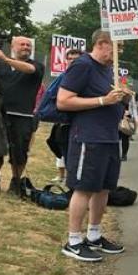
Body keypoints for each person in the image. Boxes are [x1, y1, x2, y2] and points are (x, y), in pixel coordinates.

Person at [56, 30, 131, 262]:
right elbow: (63, 101)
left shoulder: (109, 70)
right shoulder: (82, 65)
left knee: (104, 188)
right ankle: (74, 240)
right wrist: (102, 101)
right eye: (117, 47)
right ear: (102, 44)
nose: (119, 53)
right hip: (88, 137)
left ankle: (94, 234)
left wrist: (124, 97)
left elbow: (112, 97)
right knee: (84, 187)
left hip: (110, 137)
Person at [0, 36, 45, 194]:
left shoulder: (37, 66)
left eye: (28, 45)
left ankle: (16, 182)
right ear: (13, 46)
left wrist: (4, 58)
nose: (26, 47)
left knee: (19, 151)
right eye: (22, 44)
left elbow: (29, 70)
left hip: (23, 115)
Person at [46, 48, 83, 183]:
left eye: (76, 59)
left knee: (75, 157)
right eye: (70, 59)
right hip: (62, 122)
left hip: (78, 124)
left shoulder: (85, 77)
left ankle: (73, 185)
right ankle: (70, 183)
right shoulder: (63, 77)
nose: (73, 62)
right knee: (61, 149)